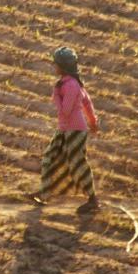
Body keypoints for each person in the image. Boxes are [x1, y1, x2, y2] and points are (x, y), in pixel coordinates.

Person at [28, 47, 101, 214]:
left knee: (77, 164)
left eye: (56, 65)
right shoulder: (71, 83)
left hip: (74, 130)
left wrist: (56, 96)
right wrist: (93, 123)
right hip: (65, 129)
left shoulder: (71, 85)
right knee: (49, 157)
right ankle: (44, 193)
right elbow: (88, 103)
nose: (54, 67)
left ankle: (93, 199)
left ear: (63, 66)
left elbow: (66, 111)